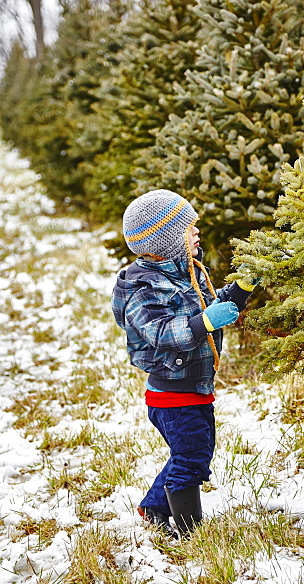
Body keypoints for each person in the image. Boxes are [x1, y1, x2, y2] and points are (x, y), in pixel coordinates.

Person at [111, 189, 257, 538]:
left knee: (194, 452)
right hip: (171, 393)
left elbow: (211, 303)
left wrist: (243, 286)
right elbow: (159, 332)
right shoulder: (141, 286)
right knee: (191, 458)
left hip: (195, 385)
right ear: (166, 238)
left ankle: (154, 506)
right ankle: (191, 532)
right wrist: (204, 322)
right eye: (189, 228)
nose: (197, 234)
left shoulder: (186, 269)